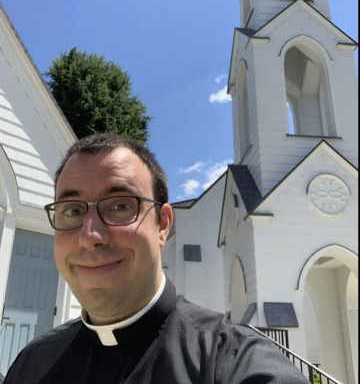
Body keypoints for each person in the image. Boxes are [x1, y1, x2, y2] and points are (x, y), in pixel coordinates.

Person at [4, 133, 310, 384]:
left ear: (162, 224)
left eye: (120, 206)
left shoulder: (231, 361)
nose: (90, 235)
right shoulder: (32, 364)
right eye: (72, 211)